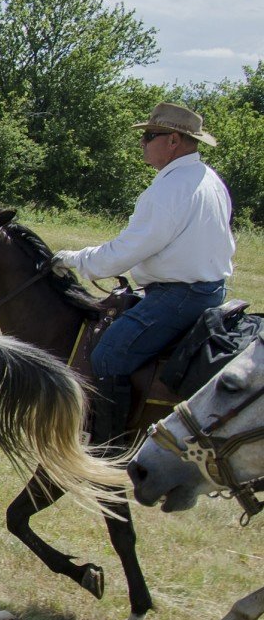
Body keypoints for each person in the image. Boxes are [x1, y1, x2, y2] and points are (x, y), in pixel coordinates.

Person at [52, 102, 232, 448]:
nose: (143, 143)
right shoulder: (208, 179)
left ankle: (107, 446)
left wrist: (76, 261)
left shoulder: (169, 190)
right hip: (207, 290)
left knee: (108, 355)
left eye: (149, 136)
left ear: (174, 141)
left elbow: (124, 253)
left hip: (178, 296)